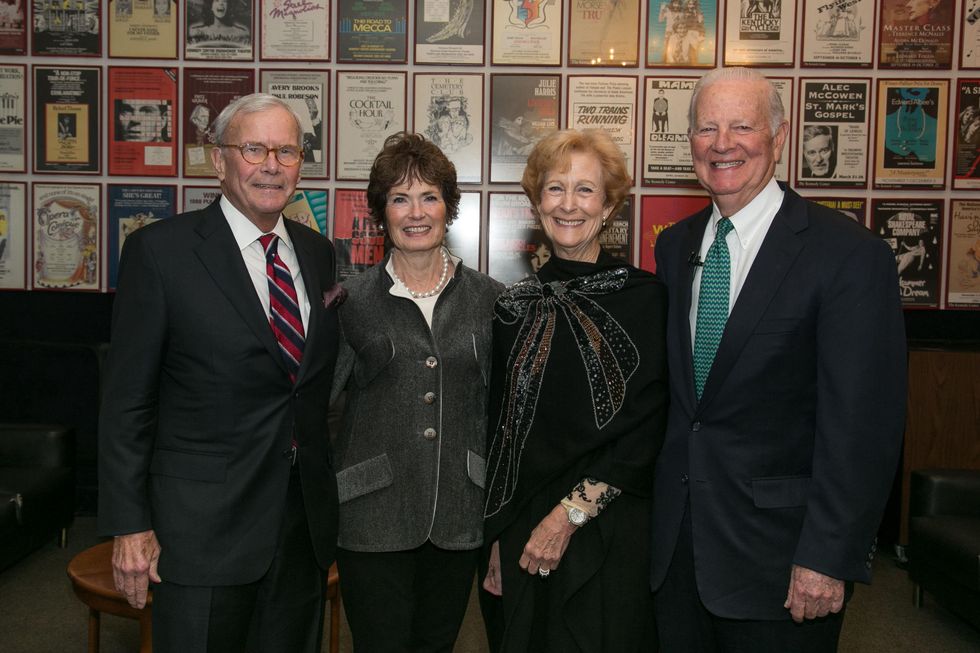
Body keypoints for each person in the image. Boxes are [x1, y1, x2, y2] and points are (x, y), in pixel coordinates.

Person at [650, 67, 907, 653]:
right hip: (677, 558)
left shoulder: (847, 255)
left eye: (743, 125)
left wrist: (827, 556)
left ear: (781, 136)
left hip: (784, 564)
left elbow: (863, 427)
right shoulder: (674, 246)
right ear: (688, 139)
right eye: (706, 127)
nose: (722, 143)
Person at [98, 93, 341, 653]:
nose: (272, 164)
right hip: (199, 531)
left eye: (287, 150)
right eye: (253, 148)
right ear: (218, 159)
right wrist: (129, 526)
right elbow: (127, 401)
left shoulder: (316, 251)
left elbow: (305, 386)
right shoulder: (160, 253)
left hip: (300, 527)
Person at [482, 128, 668, 651]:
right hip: (520, 523)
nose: (569, 204)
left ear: (609, 208)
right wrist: (494, 535)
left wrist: (569, 516)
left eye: (585, 190)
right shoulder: (511, 307)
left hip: (605, 524)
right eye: (555, 188)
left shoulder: (644, 298)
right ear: (537, 202)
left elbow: (648, 427)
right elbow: (498, 430)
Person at [330, 132, 503, 652]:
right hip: (370, 518)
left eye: (429, 196)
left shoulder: (491, 299)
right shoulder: (350, 300)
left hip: (458, 514)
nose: (415, 212)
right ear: (381, 212)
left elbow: (502, 418)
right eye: (399, 198)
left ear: (448, 208)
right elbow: (317, 410)